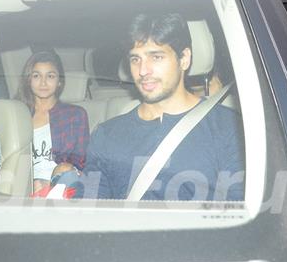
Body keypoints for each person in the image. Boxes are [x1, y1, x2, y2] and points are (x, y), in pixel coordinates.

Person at [53, 13, 244, 201]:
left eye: (156, 57)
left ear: (184, 58)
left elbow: (239, 215)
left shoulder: (228, 128)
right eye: (136, 59)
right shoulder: (107, 135)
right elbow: (91, 213)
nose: (143, 71)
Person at [16, 48, 89, 197]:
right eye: (36, 76)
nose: (43, 82)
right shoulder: (17, 114)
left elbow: (81, 162)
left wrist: (48, 183)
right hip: (23, 186)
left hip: (61, 184)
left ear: (59, 82)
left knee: (65, 170)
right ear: (28, 80)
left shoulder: (74, 115)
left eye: (50, 76)